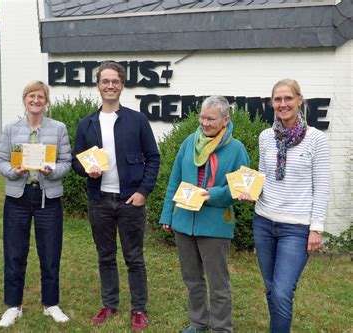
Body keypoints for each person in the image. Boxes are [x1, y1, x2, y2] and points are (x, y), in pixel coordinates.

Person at [72, 61, 160, 331]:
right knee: (105, 256)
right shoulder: (86, 123)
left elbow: (153, 157)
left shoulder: (137, 120)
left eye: (115, 81)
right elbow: (77, 162)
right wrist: (89, 171)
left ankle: (139, 309)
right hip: (99, 200)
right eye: (105, 81)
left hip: (129, 199)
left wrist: (143, 192)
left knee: (134, 257)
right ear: (98, 86)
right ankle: (109, 303)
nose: (110, 85)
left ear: (122, 85)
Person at [159, 95, 250, 333]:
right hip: (184, 222)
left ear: (225, 120)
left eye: (211, 119)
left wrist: (212, 194)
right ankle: (198, 322)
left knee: (218, 283)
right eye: (202, 117)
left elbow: (243, 188)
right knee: (192, 279)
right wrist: (167, 215)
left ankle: (221, 327)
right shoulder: (190, 141)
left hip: (215, 225)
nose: (205, 123)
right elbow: (175, 179)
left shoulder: (236, 148)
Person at [249, 79, 330, 332]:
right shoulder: (265, 137)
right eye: (277, 99)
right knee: (272, 289)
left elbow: (322, 186)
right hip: (263, 221)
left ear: (299, 100)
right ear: (272, 103)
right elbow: (263, 175)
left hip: (296, 228)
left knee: (282, 292)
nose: (282, 104)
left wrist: (316, 228)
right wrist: (248, 191)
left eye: (288, 99)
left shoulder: (316, 139)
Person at [0, 80, 71, 327]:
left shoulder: (58, 128)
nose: (36, 101)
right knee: (15, 252)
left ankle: (51, 304)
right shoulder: (10, 129)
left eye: (40, 96)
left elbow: (66, 162)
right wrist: (13, 171)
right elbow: (0, 161)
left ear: (46, 101)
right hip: (18, 197)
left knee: (50, 252)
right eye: (31, 96)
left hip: (48, 198)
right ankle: (13, 306)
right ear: (25, 99)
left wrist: (53, 170)